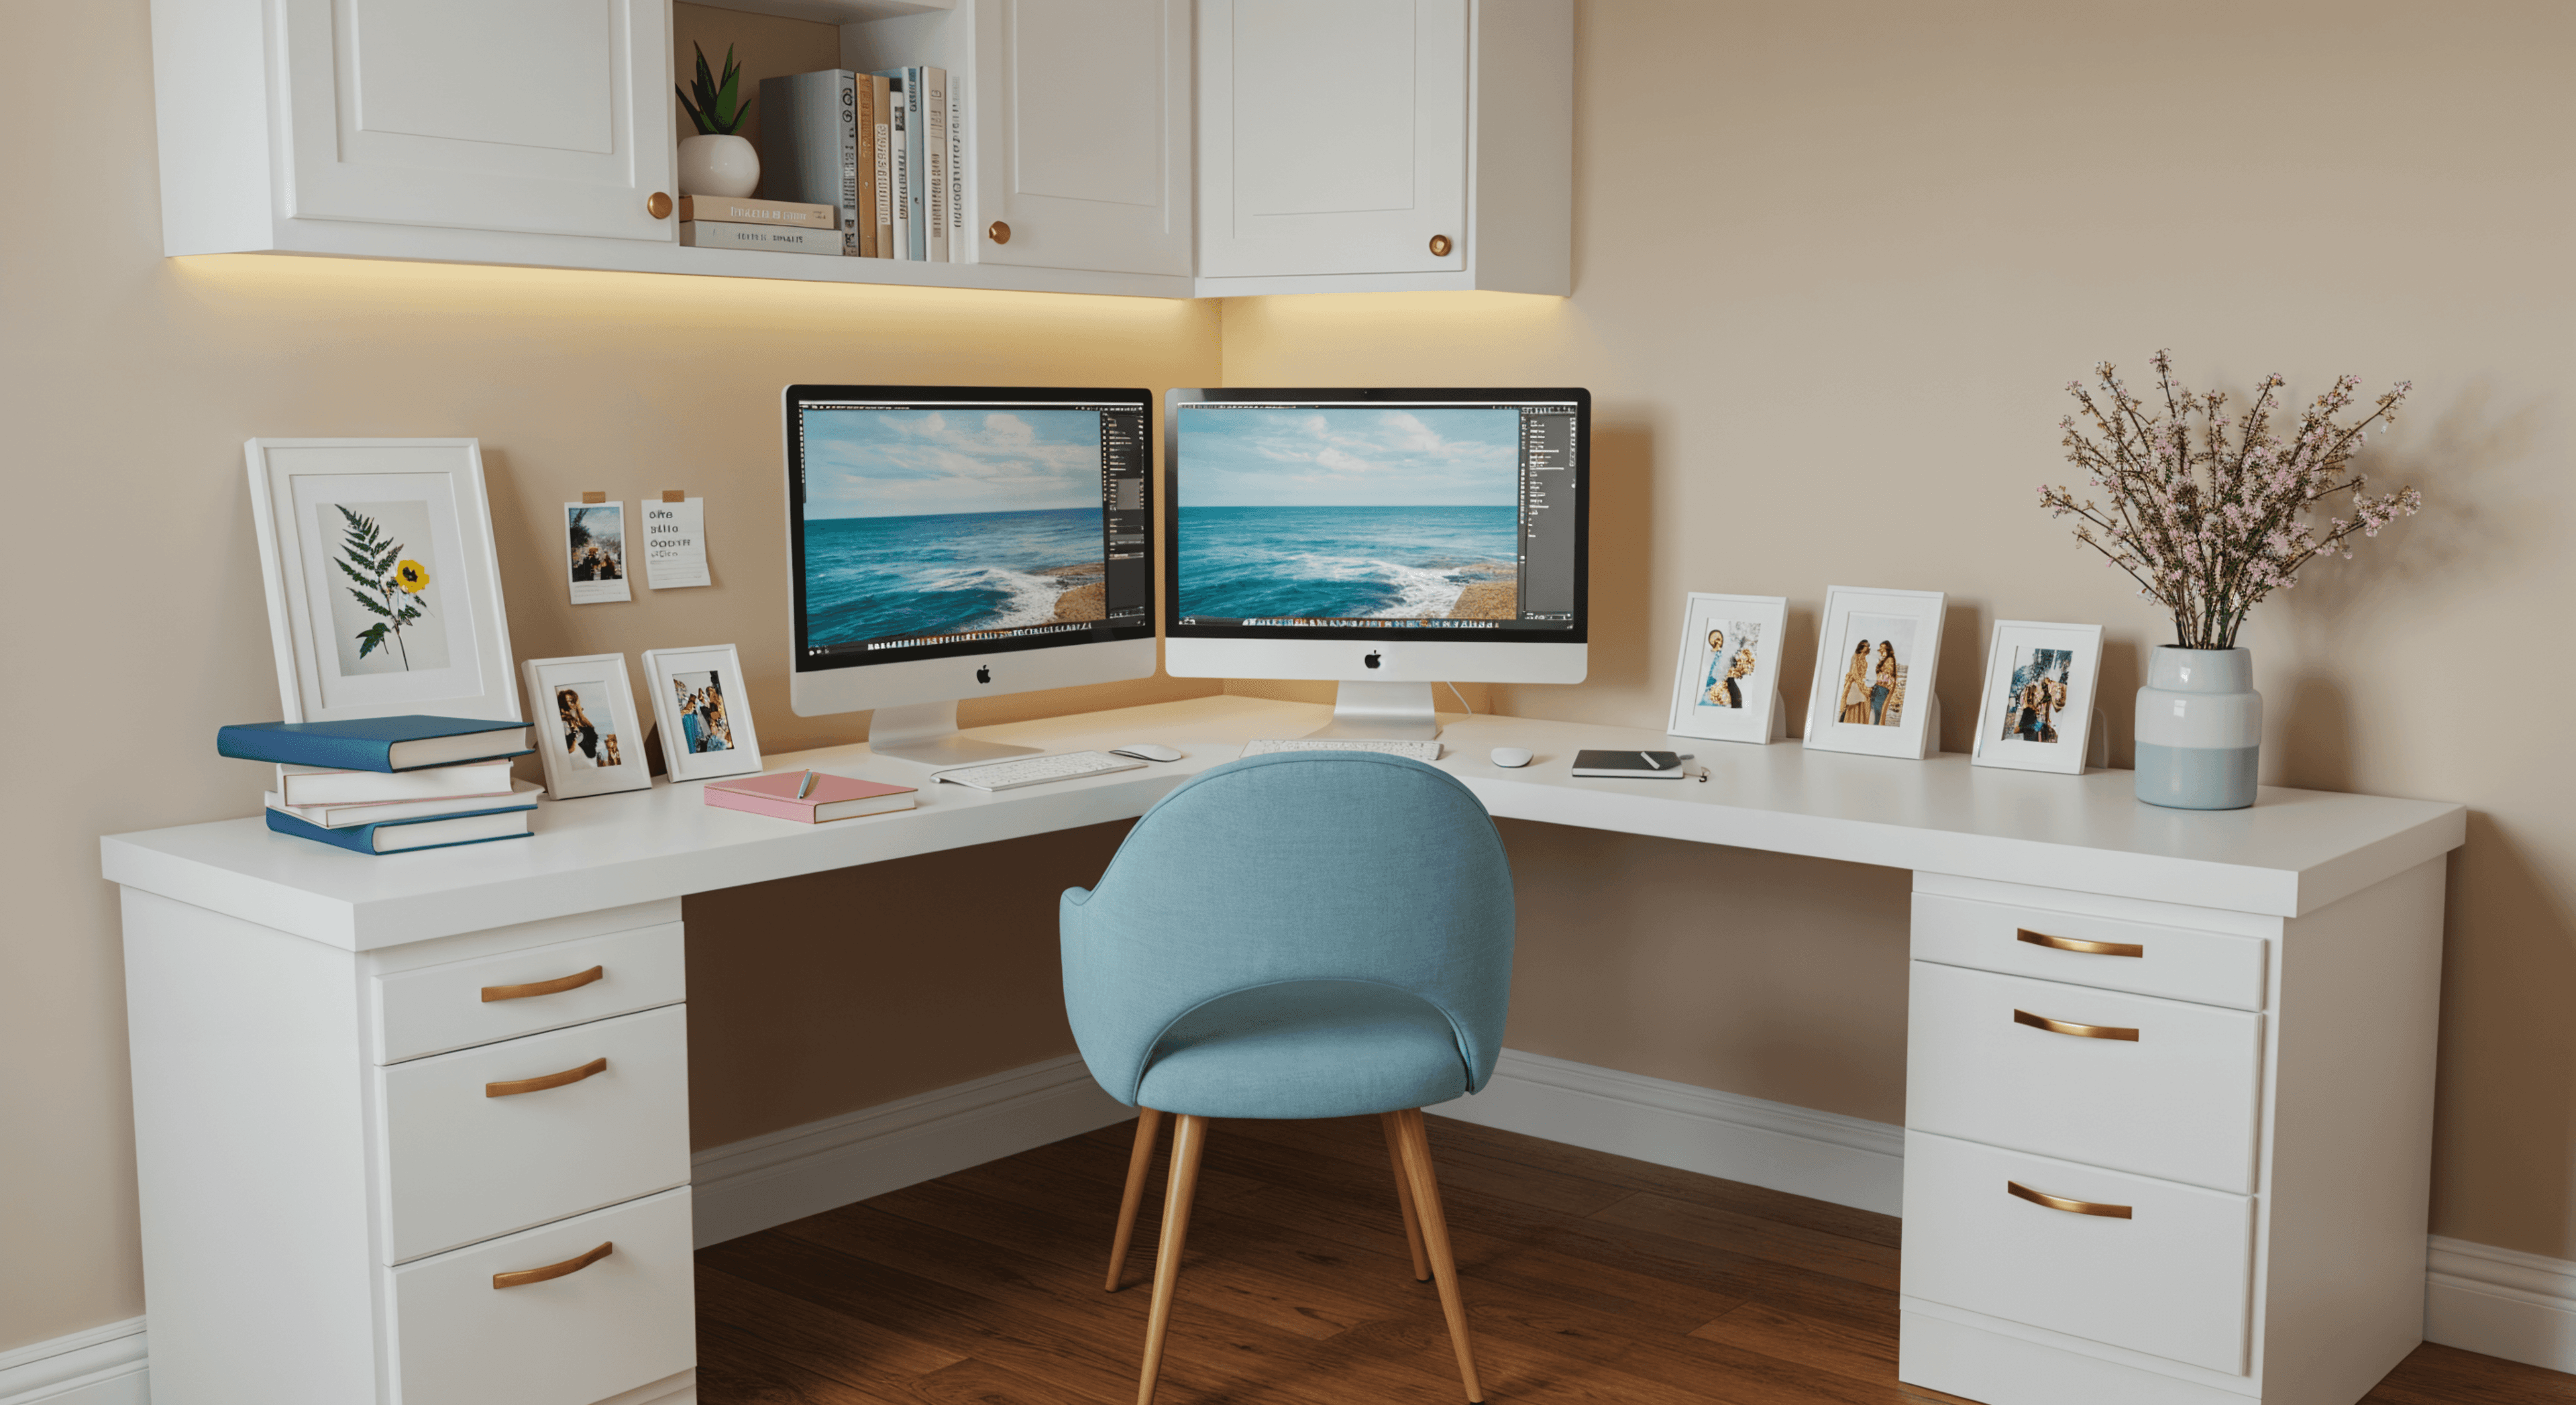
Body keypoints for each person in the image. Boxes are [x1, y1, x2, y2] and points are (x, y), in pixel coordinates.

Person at [557, 687, 600, 766]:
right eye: (569, 701)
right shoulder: (564, 723)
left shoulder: (581, 720)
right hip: (576, 761)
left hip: (590, 761)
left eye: (573, 701)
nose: (572, 704)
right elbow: (569, 749)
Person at [1703, 628, 1741, 708]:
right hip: (1713, 687)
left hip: (1723, 684)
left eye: (1719, 638)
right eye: (1714, 638)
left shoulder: (1725, 654)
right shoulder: (1711, 655)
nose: (1717, 640)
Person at [1838, 641, 1874, 724]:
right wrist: (1863, 687)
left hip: (1860, 682)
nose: (1867, 648)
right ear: (1860, 648)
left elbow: (1863, 675)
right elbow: (1855, 674)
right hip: (1855, 684)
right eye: (1866, 647)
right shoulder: (1856, 658)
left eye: (1868, 647)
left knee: (1864, 702)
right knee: (1856, 703)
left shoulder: (1865, 659)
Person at [1872, 641, 1900, 725]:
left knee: (1877, 712)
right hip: (1879, 687)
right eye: (1880, 647)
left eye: (1883, 647)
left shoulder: (1890, 659)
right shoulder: (1884, 658)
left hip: (1882, 688)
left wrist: (1877, 673)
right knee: (1875, 712)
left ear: (1887, 649)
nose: (1881, 649)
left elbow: (1886, 676)